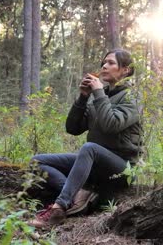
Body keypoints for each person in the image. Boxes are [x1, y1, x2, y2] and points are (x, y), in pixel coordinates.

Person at [28, 49, 142, 228]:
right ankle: (76, 195)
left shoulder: (132, 97)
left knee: (90, 148)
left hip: (122, 168)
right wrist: (83, 97)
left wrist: (98, 94)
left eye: (111, 63)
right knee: (36, 161)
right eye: (103, 62)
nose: (104, 66)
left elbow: (111, 125)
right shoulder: (101, 96)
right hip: (94, 163)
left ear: (125, 70)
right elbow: (73, 129)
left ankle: (58, 209)